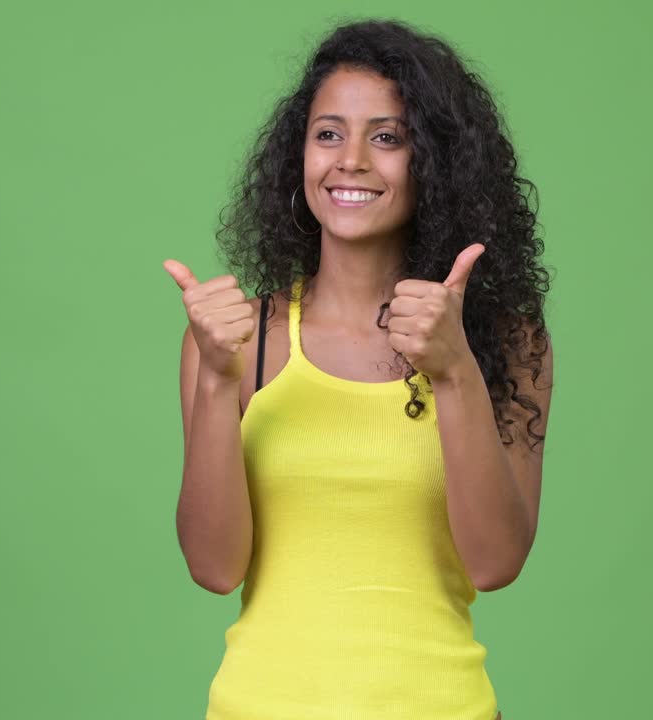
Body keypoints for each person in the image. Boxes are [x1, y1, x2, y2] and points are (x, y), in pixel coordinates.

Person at [163, 18, 551, 720]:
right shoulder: (237, 343)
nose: (351, 161)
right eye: (328, 133)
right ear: (298, 156)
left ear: (432, 160)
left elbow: (495, 564)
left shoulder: (502, 342)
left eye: (387, 137)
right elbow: (213, 569)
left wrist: (456, 370)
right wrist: (217, 384)